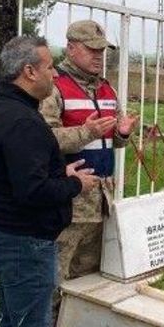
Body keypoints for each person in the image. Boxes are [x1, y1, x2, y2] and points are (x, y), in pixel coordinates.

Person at [0, 35, 97, 327]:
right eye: (49, 67)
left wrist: (62, 174)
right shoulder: (21, 121)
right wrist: (75, 185)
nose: (55, 74)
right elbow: (32, 191)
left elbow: (23, 174)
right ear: (29, 71)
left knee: (12, 323)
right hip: (25, 242)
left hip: (11, 235)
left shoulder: (6, 109)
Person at [40, 20, 138, 286]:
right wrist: (87, 132)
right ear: (71, 49)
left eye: (101, 50)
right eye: (91, 49)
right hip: (68, 203)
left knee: (88, 280)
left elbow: (113, 142)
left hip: (101, 201)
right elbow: (43, 139)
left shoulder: (107, 89)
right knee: (55, 279)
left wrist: (123, 134)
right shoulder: (54, 87)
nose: (98, 56)